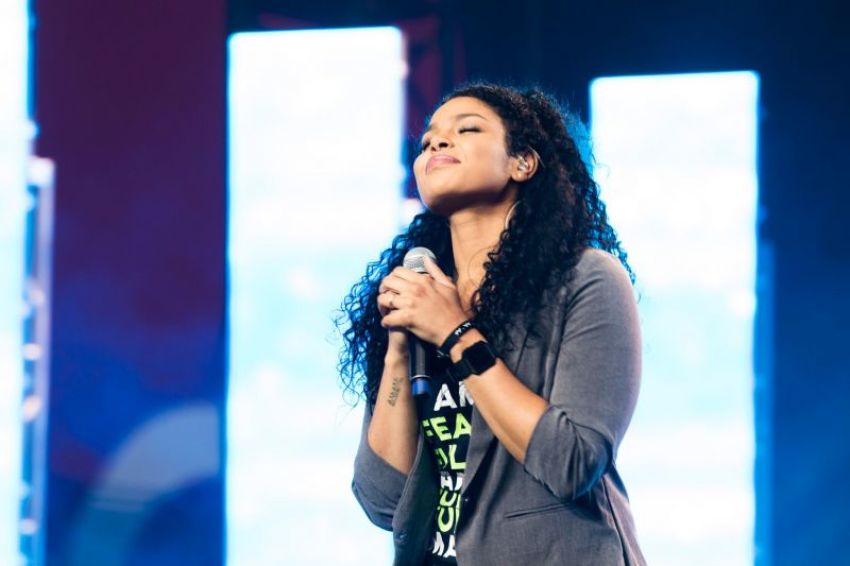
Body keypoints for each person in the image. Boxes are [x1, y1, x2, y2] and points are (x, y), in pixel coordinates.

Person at [336, 82, 646, 565]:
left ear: (522, 162)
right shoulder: (425, 296)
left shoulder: (587, 279)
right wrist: (399, 346)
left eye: (467, 129)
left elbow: (572, 461)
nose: (437, 143)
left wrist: (457, 335)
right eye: (428, 140)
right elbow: (382, 500)